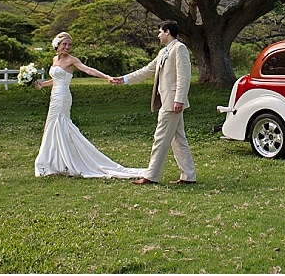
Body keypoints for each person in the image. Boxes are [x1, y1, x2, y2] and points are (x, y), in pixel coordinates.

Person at [33, 32, 146, 179]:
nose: (67, 47)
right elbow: (56, 79)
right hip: (54, 96)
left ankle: (67, 160)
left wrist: (106, 77)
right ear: (57, 45)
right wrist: (42, 84)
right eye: (64, 44)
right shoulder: (55, 59)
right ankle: (55, 160)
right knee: (52, 125)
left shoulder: (71, 60)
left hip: (62, 97)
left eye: (69, 44)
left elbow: (88, 70)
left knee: (61, 123)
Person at [111, 20, 197, 185]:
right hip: (166, 101)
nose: (158, 35)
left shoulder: (179, 48)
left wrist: (179, 99)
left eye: (159, 32)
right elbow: (146, 71)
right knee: (178, 139)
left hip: (172, 102)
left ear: (167, 32)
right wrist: (124, 79)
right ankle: (189, 176)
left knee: (161, 137)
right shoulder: (163, 52)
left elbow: (184, 77)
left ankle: (151, 176)